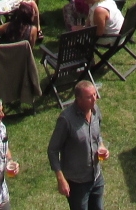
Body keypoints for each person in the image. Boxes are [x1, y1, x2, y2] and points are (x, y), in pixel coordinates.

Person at [47, 80, 106, 210]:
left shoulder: (95, 111)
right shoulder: (66, 120)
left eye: (95, 94)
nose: (95, 99)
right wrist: (60, 179)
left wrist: (101, 146)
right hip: (77, 183)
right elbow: (52, 150)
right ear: (79, 99)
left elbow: (97, 134)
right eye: (89, 97)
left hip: (96, 177)